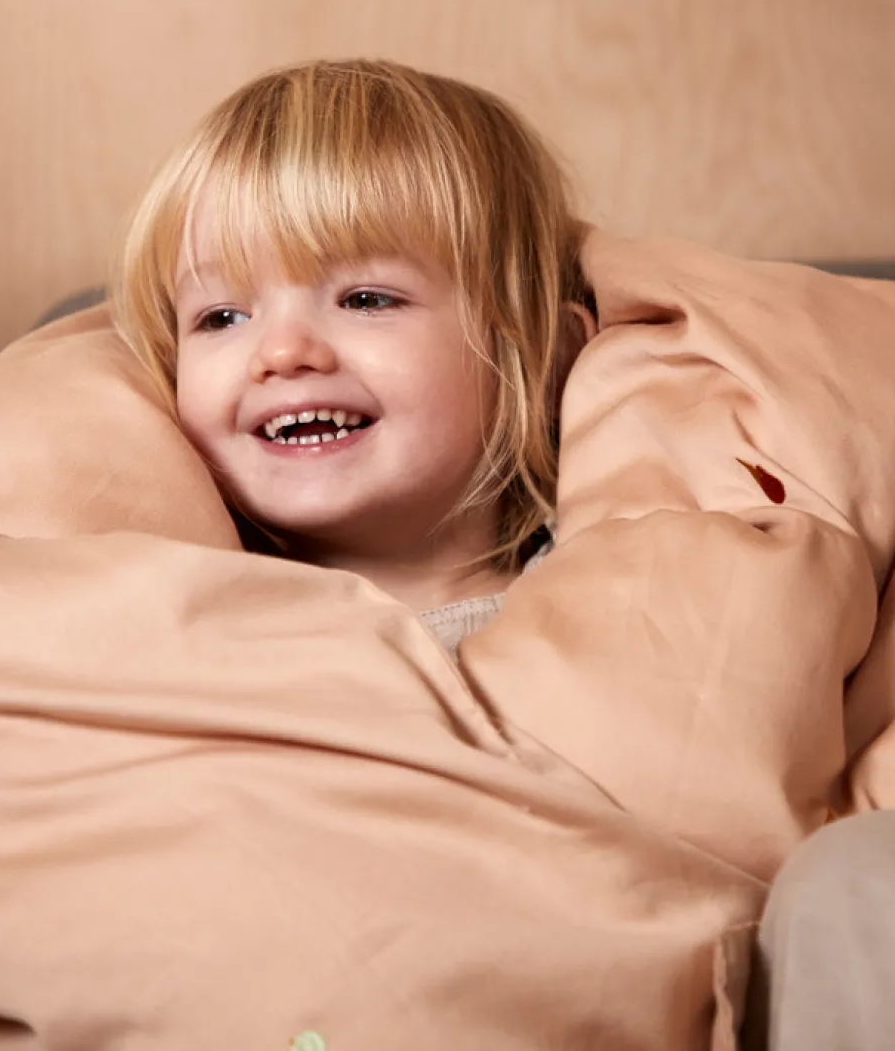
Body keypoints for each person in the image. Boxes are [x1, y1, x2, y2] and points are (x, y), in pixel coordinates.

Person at [111, 58, 591, 655]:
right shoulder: (169, 618)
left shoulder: (601, 601)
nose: (282, 352)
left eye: (365, 300)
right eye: (222, 317)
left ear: (548, 357)